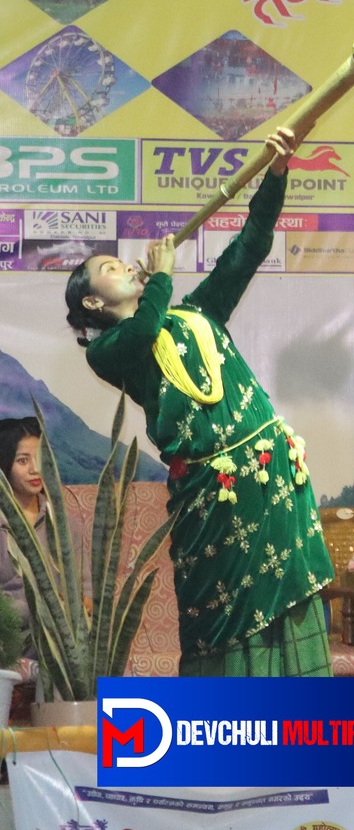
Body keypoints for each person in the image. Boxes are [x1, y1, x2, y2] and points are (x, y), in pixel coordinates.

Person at [66, 127, 333, 675]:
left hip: (270, 477)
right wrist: (161, 277)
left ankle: (307, 725)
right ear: (93, 303)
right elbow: (144, 332)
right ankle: (229, 727)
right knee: (225, 621)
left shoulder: (197, 312)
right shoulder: (108, 351)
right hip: (215, 495)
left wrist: (275, 174)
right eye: (111, 269)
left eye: (124, 262)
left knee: (293, 599)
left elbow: (249, 247)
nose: (127, 267)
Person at [0, 417, 57, 667]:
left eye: (40, 458)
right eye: (23, 461)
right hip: (9, 642)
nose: (36, 469)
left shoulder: (64, 525)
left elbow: (86, 594)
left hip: (60, 645)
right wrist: (38, 608)